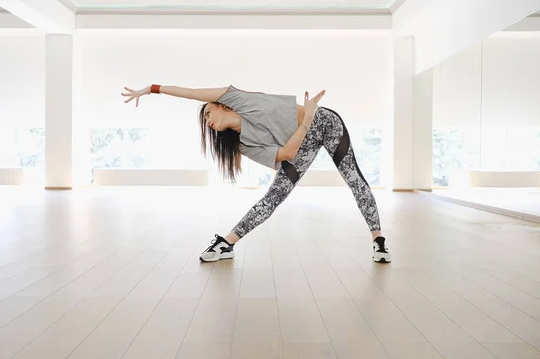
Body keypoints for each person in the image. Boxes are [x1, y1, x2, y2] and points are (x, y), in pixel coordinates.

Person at [122, 84, 391, 264]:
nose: (208, 121)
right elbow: (287, 154)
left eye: (207, 113)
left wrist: (151, 89)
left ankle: (378, 240)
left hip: (326, 123)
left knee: (354, 179)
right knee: (273, 198)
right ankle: (226, 243)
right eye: (205, 121)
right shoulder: (243, 144)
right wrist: (306, 119)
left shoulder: (236, 98)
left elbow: (191, 93)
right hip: (302, 136)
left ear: (220, 104)